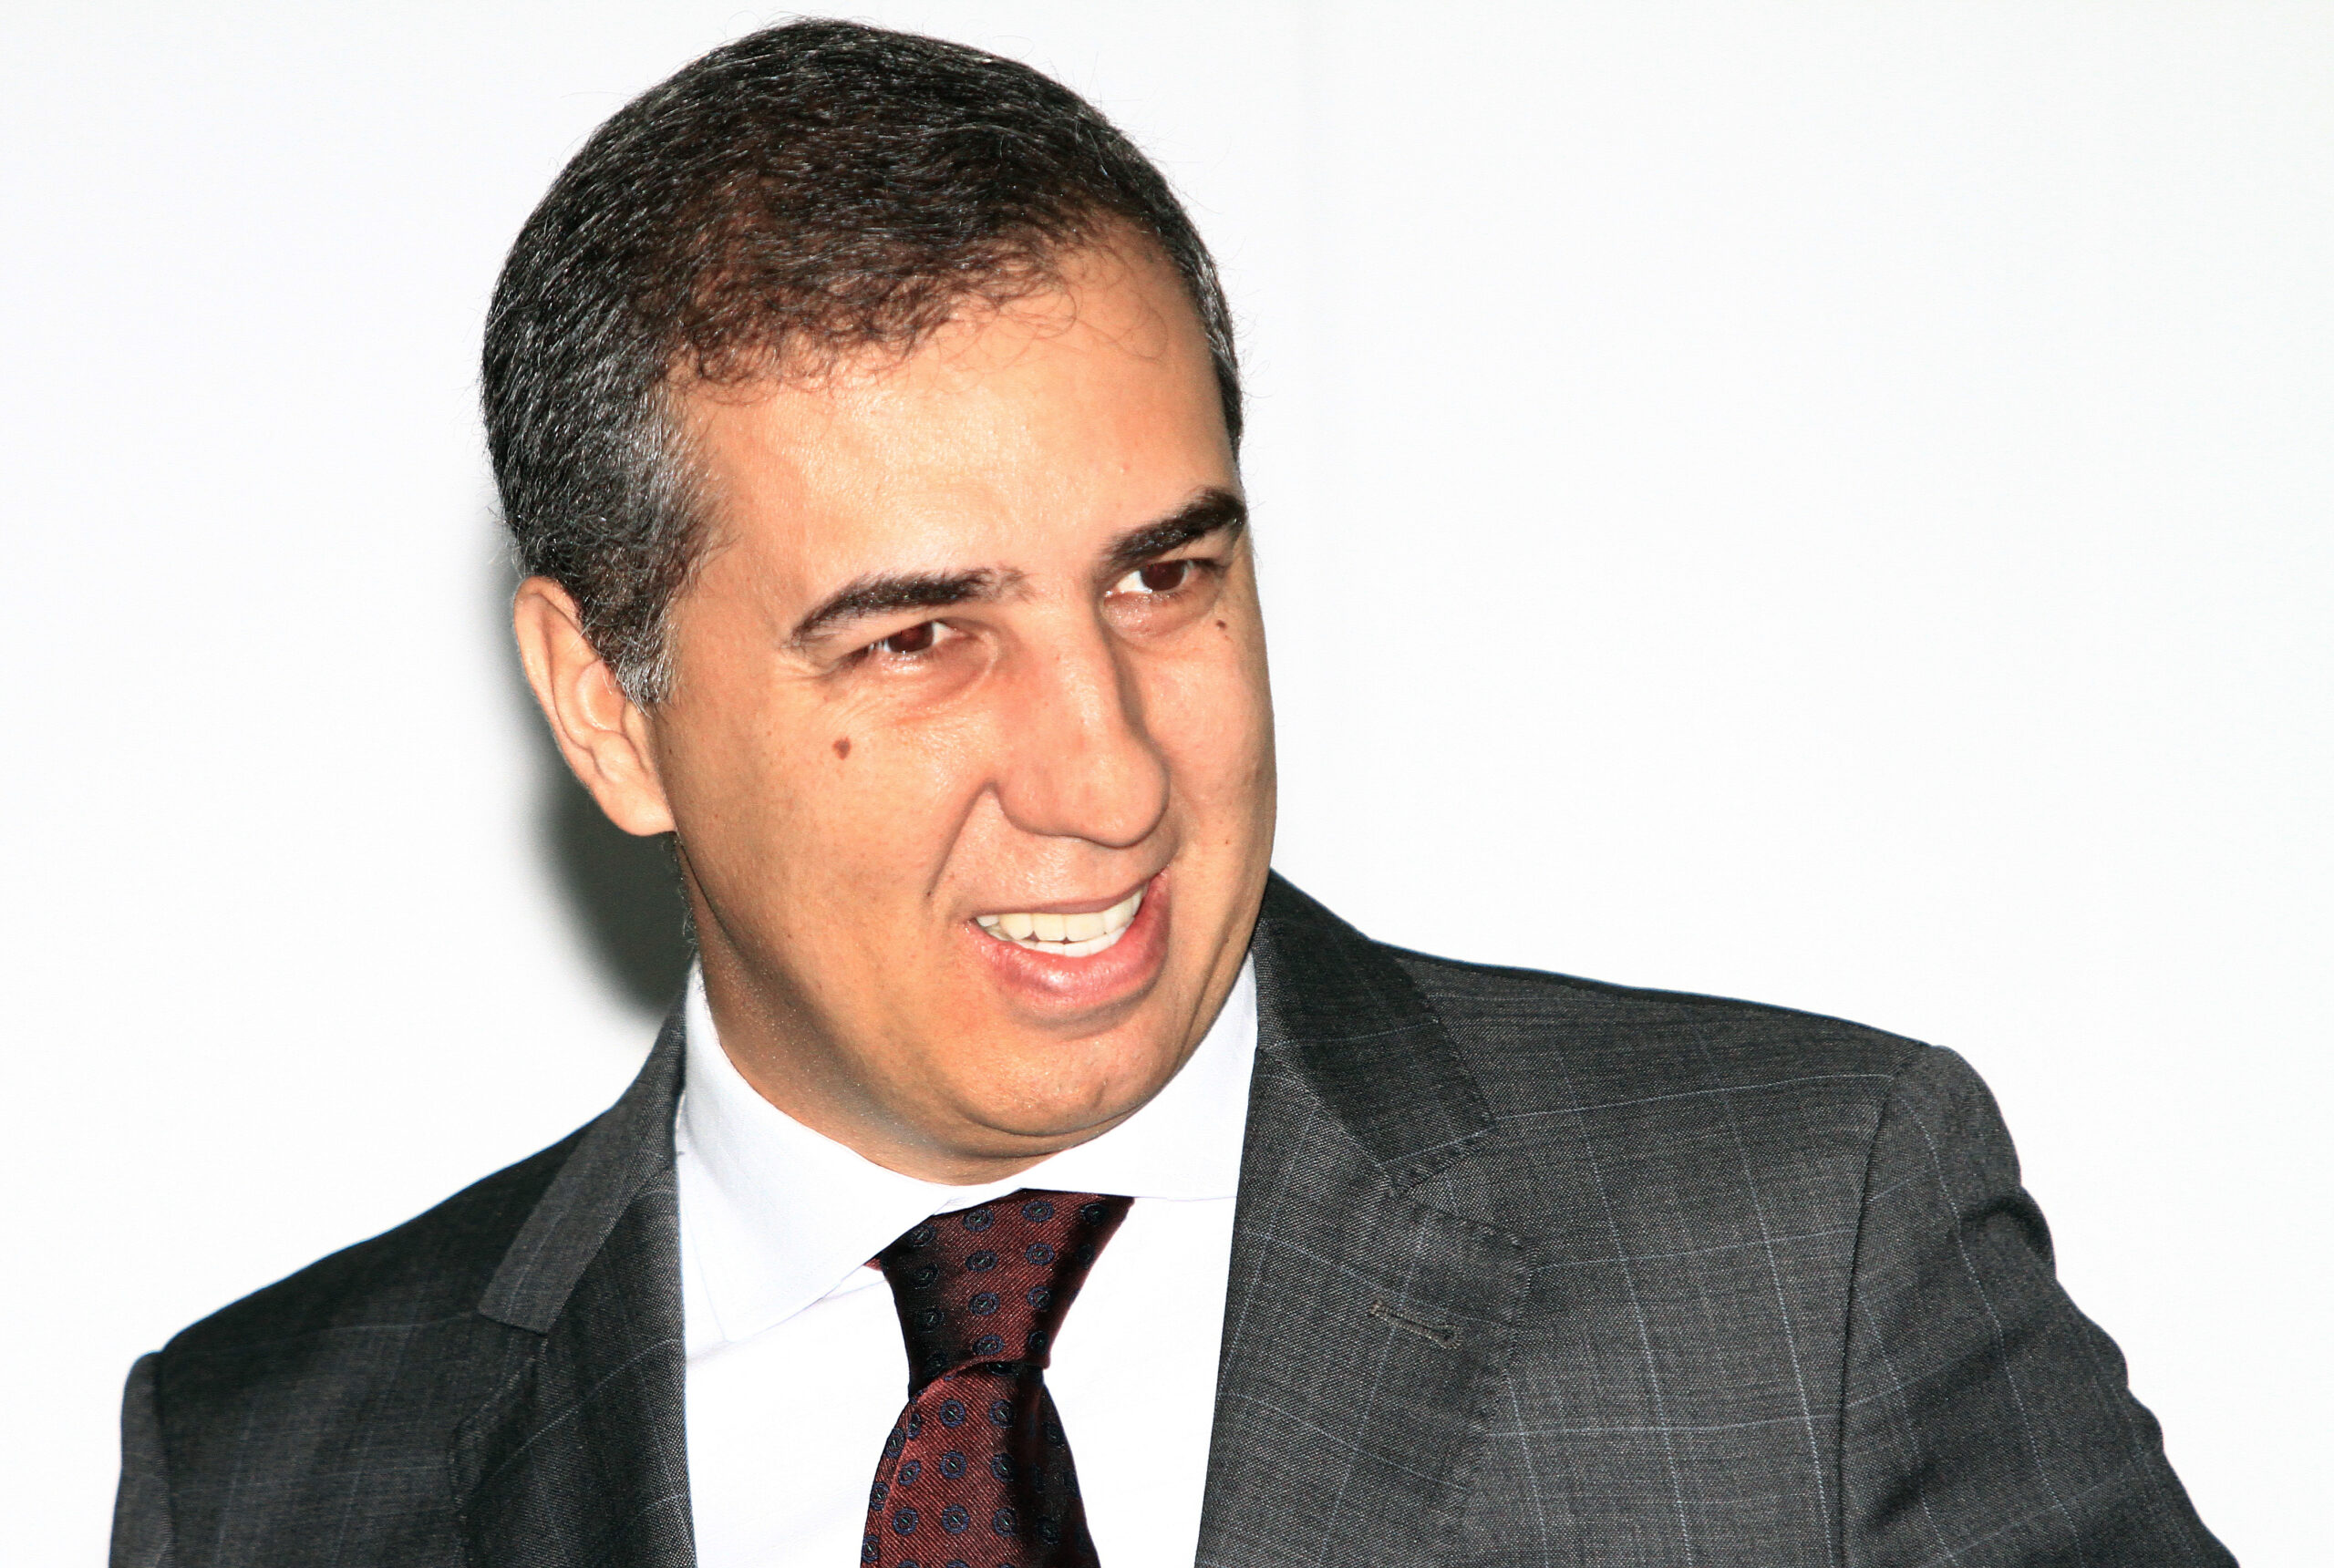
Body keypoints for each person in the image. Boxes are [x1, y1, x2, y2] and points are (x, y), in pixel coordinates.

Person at [110, 20, 2232, 1568]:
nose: (1109, 770)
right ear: (605, 705)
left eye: (1162, 576)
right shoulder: (278, 1468)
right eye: (918, 635)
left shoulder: (1801, 1252)